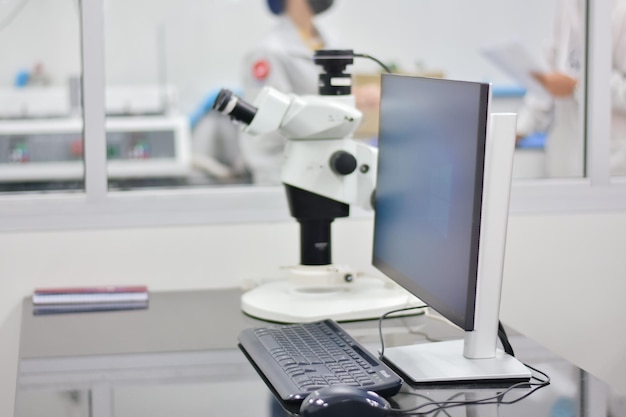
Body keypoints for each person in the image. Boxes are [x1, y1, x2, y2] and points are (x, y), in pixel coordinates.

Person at [239, 0, 379, 184]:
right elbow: (269, 123)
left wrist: (353, 99)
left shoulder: (329, 39)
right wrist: (341, 105)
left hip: (328, 165)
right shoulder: (269, 51)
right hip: (282, 173)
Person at [516, 0, 626, 177]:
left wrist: (578, 87)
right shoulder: (568, 6)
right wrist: (520, 128)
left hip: (612, 165)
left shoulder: (620, 10)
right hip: (564, 160)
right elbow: (550, 75)